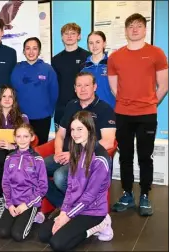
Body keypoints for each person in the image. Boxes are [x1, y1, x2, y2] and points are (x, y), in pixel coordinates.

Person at [108, 13, 168, 216]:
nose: (134, 29)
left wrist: (149, 102)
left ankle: (144, 195)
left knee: (145, 157)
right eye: (131, 26)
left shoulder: (156, 53)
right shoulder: (115, 57)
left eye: (139, 26)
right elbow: (115, 88)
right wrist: (128, 102)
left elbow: (164, 85)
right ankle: (127, 194)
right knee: (125, 156)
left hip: (147, 115)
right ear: (126, 31)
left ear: (144, 29)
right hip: (123, 114)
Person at [39, 110, 114, 251]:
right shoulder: (78, 151)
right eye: (73, 129)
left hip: (93, 211)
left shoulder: (100, 159)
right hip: (76, 207)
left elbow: (89, 197)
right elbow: (71, 188)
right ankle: (73, 223)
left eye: (80, 129)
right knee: (44, 235)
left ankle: (101, 224)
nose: (75, 133)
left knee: (57, 244)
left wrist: (67, 216)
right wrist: (63, 212)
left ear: (90, 130)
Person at [44, 72, 116, 211]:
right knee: (35, 168)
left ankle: (79, 207)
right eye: (79, 85)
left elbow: (108, 141)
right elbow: (60, 134)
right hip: (64, 154)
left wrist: (74, 154)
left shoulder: (104, 109)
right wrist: (58, 152)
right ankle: (64, 206)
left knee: (60, 177)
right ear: (74, 88)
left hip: (87, 158)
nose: (82, 89)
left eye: (87, 85)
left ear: (94, 87)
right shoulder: (71, 105)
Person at [0, 85, 29, 218]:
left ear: (14, 99)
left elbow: (28, 139)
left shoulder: (22, 118)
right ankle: (1, 198)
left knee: (9, 158)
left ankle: (17, 198)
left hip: (16, 152)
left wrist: (14, 146)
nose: (7, 99)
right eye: (4, 96)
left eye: (10, 96)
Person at [0, 123, 48, 242]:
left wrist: (26, 205)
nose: (22, 140)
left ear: (32, 138)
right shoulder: (9, 158)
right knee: (3, 232)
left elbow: (43, 187)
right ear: (14, 138)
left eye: (26, 136)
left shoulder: (37, 159)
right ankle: (18, 215)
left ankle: (35, 214)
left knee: (18, 235)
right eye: (19, 136)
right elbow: (5, 183)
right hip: (13, 201)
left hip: (29, 202)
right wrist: (9, 204)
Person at [11, 37, 58, 145]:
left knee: (41, 148)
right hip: (22, 118)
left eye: (34, 48)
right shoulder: (17, 69)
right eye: (28, 48)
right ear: (23, 51)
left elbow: (54, 93)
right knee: (23, 147)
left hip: (43, 118)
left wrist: (49, 111)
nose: (31, 52)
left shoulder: (48, 69)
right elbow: (13, 92)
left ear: (39, 51)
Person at [52, 23, 91, 130]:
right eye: (66, 33)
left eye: (73, 33)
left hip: (83, 105)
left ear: (79, 36)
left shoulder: (87, 57)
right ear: (62, 37)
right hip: (62, 107)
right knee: (61, 140)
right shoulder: (55, 59)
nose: (69, 36)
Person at [81, 31, 115, 108]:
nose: (94, 46)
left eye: (98, 42)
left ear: (104, 44)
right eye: (91, 43)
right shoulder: (83, 67)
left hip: (110, 109)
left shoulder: (112, 64)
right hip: (89, 112)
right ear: (88, 46)